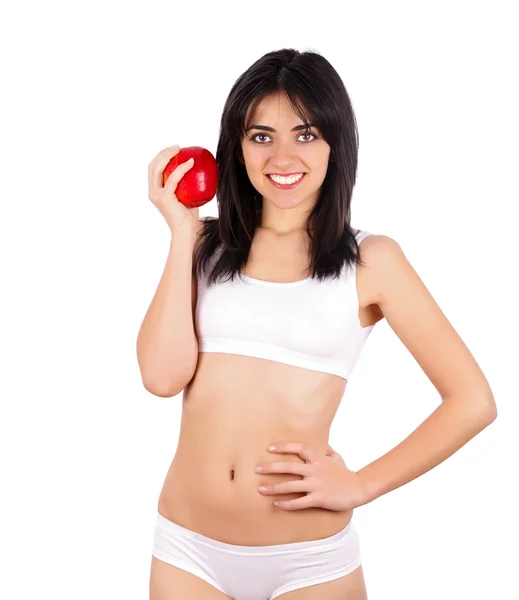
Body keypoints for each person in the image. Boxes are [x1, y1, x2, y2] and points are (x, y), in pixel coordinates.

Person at [139, 48, 497, 600]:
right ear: (236, 147)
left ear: (336, 144)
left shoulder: (372, 260)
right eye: (261, 136)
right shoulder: (204, 246)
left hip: (307, 564)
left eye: (305, 134)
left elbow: (472, 401)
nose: (283, 156)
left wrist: (359, 485)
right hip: (188, 551)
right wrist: (181, 233)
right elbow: (162, 378)